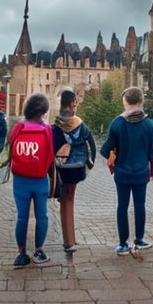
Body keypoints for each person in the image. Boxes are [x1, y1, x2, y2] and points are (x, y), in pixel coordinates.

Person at [99, 87, 153, 255]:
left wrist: (114, 155)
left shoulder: (117, 123)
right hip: (141, 172)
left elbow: (105, 149)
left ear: (125, 102)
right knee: (140, 205)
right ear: (141, 102)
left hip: (122, 173)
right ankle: (139, 239)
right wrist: (152, 170)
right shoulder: (148, 124)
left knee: (122, 206)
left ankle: (123, 244)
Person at [9, 93, 55, 266]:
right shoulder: (47, 129)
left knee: (22, 217)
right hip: (40, 179)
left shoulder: (19, 127)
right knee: (42, 216)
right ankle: (39, 251)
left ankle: (21, 253)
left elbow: (11, 145)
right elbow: (50, 154)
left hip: (20, 179)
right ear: (43, 112)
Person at [52, 89, 96, 253]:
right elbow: (92, 145)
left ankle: (68, 240)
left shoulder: (55, 127)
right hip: (76, 168)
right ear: (69, 105)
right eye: (74, 105)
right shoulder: (81, 125)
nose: (74, 108)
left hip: (60, 169)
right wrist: (90, 164)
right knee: (69, 200)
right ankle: (69, 241)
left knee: (65, 200)